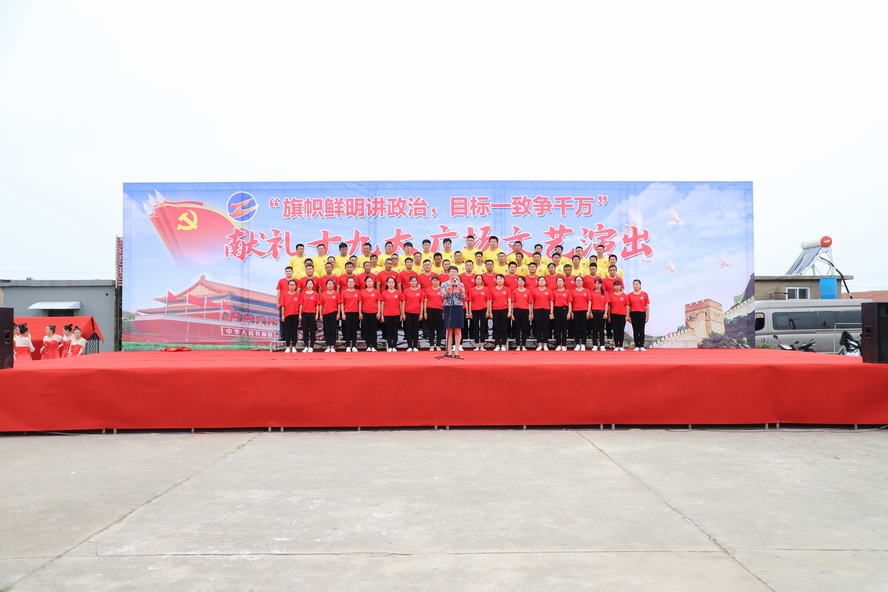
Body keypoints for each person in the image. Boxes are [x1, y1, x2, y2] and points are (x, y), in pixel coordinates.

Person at [441, 267, 467, 358]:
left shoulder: (460, 284)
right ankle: (448, 351)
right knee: (449, 330)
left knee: (458, 329)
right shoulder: (444, 284)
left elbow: (463, 297)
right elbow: (443, 296)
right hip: (448, 306)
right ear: (448, 273)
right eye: (451, 272)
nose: (453, 273)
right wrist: (447, 291)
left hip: (458, 306)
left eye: (455, 272)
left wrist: (462, 293)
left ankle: (456, 352)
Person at [467, 274, 490, 351]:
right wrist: (470, 311)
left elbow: (488, 301)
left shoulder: (486, 289)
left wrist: (488, 311)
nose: (478, 280)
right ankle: (476, 345)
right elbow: (470, 301)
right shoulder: (472, 290)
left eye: (480, 279)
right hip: (474, 310)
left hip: (483, 309)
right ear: (475, 280)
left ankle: (482, 345)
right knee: (476, 328)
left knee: (483, 328)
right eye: (477, 279)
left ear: (482, 281)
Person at [530, 276, 553, 351]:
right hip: (537, 310)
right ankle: (539, 344)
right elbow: (532, 302)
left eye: (543, 280)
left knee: (546, 328)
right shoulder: (534, 290)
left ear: (545, 282)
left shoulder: (549, 291)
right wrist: (531, 313)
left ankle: (545, 344)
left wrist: (551, 312)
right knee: (538, 327)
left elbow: (551, 302)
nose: (542, 282)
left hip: (546, 310)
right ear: (538, 282)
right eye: (540, 280)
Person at [628, 279, 652, 351]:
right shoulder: (630, 295)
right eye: (634, 284)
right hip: (633, 313)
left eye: (637, 284)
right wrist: (628, 316)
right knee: (635, 330)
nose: (635, 286)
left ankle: (641, 345)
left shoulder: (644, 294)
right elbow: (628, 306)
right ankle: (636, 345)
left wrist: (647, 315)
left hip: (642, 313)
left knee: (641, 330)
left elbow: (647, 305)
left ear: (640, 285)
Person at [490, 274, 512, 351]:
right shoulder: (492, 290)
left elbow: (509, 301)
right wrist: (490, 312)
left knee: (504, 328)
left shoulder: (507, 289)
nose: (500, 280)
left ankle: (503, 344)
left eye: (501, 279)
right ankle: (497, 345)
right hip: (495, 310)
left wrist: (509, 311)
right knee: (497, 328)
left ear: (504, 280)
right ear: (496, 280)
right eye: (498, 279)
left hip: (504, 309)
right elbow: (490, 301)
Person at [381, 276, 403, 352]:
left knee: (395, 331)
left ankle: (394, 346)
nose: (391, 284)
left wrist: (401, 314)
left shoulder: (398, 293)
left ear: (394, 283)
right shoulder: (384, 293)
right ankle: (390, 346)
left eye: (392, 282)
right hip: (387, 314)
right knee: (388, 331)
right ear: (387, 283)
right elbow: (382, 305)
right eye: (389, 282)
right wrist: (382, 315)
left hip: (396, 314)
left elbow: (400, 304)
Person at [606, 280, 629, 351]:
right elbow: (609, 307)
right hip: (614, 315)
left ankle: (621, 346)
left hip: (622, 315)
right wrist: (609, 316)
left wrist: (627, 315)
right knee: (615, 330)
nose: (617, 287)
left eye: (618, 285)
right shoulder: (611, 295)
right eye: (615, 285)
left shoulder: (624, 296)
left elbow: (627, 306)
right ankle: (616, 345)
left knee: (621, 330)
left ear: (621, 286)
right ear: (613, 286)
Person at [424, 275, 445, 351]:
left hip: (439, 310)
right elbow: (426, 301)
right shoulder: (428, 290)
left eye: (437, 280)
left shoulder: (442, 290)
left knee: (439, 328)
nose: (435, 282)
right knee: (431, 328)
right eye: (434, 280)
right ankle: (431, 345)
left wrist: (444, 312)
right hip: (430, 310)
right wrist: (425, 312)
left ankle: (438, 345)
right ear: (431, 281)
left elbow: (444, 301)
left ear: (439, 281)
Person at [360, 276, 381, 352]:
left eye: (370, 281)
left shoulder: (377, 292)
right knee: (367, 330)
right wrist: (360, 313)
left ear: (373, 282)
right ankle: (368, 346)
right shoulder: (362, 292)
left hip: (374, 313)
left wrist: (379, 312)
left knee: (373, 330)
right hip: (365, 312)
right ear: (365, 283)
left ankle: (374, 346)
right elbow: (360, 303)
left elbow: (379, 302)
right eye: (368, 281)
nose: (369, 283)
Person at [402, 276, 424, 351]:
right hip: (408, 312)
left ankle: (415, 346)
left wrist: (421, 314)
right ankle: (409, 346)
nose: (413, 282)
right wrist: (403, 313)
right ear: (409, 282)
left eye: (415, 281)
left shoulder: (420, 291)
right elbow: (404, 302)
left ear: (417, 282)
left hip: (417, 312)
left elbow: (421, 303)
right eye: (412, 281)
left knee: (415, 330)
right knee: (408, 329)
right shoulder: (406, 291)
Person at [570, 276, 591, 351]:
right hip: (575, 311)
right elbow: (570, 302)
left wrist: (588, 311)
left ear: (582, 282)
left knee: (583, 328)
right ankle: (577, 344)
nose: (578, 282)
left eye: (580, 280)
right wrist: (571, 312)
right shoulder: (572, 291)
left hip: (584, 311)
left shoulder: (586, 291)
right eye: (577, 280)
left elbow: (589, 301)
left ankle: (583, 344)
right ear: (575, 282)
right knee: (576, 328)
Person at [511, 276, 532, 351]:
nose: (520, 282)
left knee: (524, 328)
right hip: (516, 310)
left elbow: (530, 303)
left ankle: (523, 345)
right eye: (519, 280)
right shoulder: (514, 291)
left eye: (521, 280)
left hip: (525, 311)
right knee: (516, 328)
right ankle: (517, 345)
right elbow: (512, 303)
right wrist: (512, 313)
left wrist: (530, 313)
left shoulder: (528, 292)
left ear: (524, 282)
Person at [341, 276, 362, 352]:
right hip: (347, 313)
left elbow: (359, 303)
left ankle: (353, 346)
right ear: (347, 283)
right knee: (347, 330)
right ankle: (347, 346)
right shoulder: (344, 292)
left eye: (352, 282)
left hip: (355, 313)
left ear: (354, 283)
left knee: (354, 330)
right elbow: (342, 303)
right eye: (349, 282)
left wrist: (360, 313)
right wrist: (343, 314)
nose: (350, 283)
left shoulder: (358, 292)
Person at [552, 277, 572, 351]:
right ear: (556, 283)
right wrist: (552, 312)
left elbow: (569, 302)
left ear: (564, 283)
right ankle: (558, 344)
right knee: (557, 327)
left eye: (561, 281)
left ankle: (564, 344)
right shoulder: (554, 292)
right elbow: (552, 302)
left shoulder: (567, 291)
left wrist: (569, 312)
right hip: (556, 309)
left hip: (564, 309)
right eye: (558, 281)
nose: (560, 282)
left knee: (564, 328)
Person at [320, 279, 341, 352]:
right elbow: (321, 305)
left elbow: (339, 304)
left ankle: (332, 346)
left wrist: (338, 313)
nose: (330, 285)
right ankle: (328, 346)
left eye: (331, 284)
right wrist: (321, 314)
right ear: (326, 285)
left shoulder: (336, 293)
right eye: (329, 284)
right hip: (325, 313)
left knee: (333, 330)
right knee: (326, 330)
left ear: (333, 285)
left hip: (334, 313)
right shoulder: (323, 294)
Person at [280, 280, 301, 352]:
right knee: (287, 331)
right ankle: (288, 347)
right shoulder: (284, 295)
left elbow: (300, 306)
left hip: (295, 315)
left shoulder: (298, 295)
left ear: (295, 286)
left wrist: (300, 315)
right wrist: (283, 315)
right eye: (290, 285)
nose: (292, 287)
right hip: (287, 315)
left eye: (293, 285)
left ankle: (294, 346)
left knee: (294, 331)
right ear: (288, 286)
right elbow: (283, 306)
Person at [299, 279, 319, 352]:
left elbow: (317, 305)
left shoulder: (316, 294)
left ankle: (311, 347)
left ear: (313, 285)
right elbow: (301, 304)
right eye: (308, 284)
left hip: (312, 314)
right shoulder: (303, 294)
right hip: (304, 314)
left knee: (312, 331)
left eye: (311, 284)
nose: (309, 285)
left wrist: (317, 314)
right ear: (306, 285)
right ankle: (306, 346)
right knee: (305, 331)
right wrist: (300, 314)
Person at [589, 277, 608, 351]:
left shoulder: (605, 293)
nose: (597, 285)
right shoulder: (591, 292)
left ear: (601, 284)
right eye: (596, 283)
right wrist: (590, 312)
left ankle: (602, 345)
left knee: (601, 329)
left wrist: (605, 313)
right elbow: (590, 302)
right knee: (594, 329)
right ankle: (594, 345)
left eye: (599, 283)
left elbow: (606, 303)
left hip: (601, 312)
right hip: (594, 312)